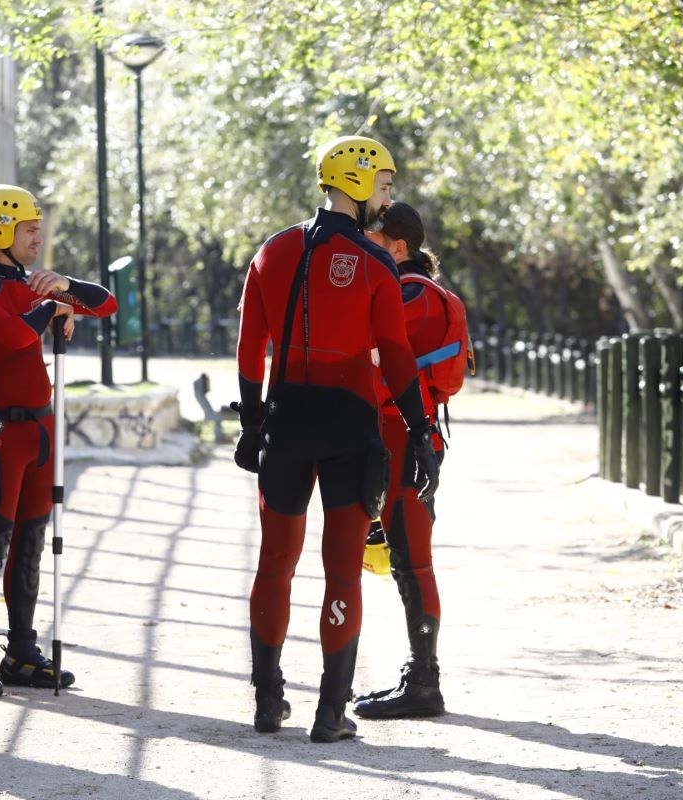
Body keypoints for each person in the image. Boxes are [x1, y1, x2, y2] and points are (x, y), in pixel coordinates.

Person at [233, 136, 441, 743]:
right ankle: (329, 713)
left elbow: (250, 349)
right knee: (342, 568)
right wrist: (420, 430)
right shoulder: (375, 263)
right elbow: (398, 357)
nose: (388, 196)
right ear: (354, 183)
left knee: (275, 562)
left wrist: (251, 424)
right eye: (383, 184)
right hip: (351, 426)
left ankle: (268, 702)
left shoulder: (271, 251)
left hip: (287, 421)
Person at [0, 184, 116, 698]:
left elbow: (104, 305)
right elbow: (16, 334)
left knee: (31, 543)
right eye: (28, 228)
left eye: (37, 226)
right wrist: (53, 307)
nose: (37, 236)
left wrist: (65, 287)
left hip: (41, 429)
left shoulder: (39, 283)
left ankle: (21, 651)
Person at [353, 201, 467, 718]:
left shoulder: (411, 296)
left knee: (413, 562)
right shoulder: (419, 292)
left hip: (405, 437)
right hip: (408, 437)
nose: (364, 244)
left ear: (398, 246)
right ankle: (418, 675)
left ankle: (424, 682)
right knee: (404, 560)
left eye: (372, 236)